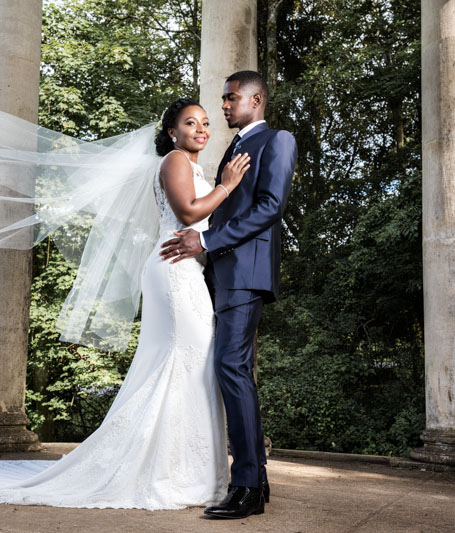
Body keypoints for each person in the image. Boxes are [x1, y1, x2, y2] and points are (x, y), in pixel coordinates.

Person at [0, 98, 253, 511]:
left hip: (187, 269)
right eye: (190, 123)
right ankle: (168, 473)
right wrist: (228, 186)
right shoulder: (175, 161)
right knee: (187, 361)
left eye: (205, 123)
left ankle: (186, 470)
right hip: (174, 271)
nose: (201, 129)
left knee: (192, 364)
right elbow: (189, 212)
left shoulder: (193, 167)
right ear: (172, 132)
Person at [160, 70, 298, 519]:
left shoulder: (277, 141)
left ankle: (248, 487)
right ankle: (256, 481)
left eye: (230, 98)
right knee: (231, 369)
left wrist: (206, 242)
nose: (223, 106)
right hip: (221, 274)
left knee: (231, 368)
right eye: (223, 98)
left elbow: (270, 207)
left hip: (246, 273)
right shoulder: (232, 149)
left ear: (255, 100)